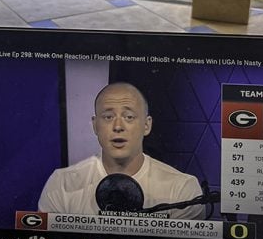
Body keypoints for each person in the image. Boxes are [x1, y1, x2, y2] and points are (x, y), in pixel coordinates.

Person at [38, 81, 205, 219]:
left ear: (147, 125)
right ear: (96, 126)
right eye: (108, 117)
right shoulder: (61, 184)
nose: (118, 127)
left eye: (129, 117)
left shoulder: (183, 190)